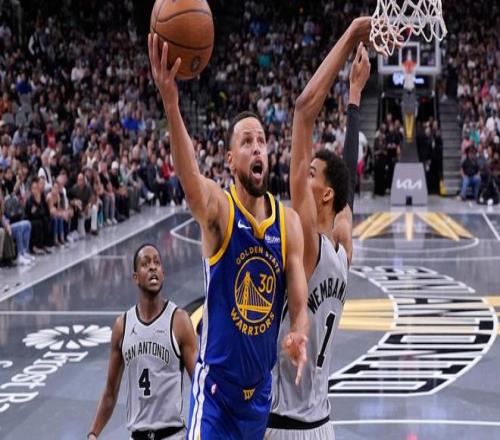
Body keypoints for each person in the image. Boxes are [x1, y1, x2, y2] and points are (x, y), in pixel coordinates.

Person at [148, 33, 309, 440]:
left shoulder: (288, 224)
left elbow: (299, 304)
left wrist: (299, 333)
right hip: (216, 397)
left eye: (262, 142)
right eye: (247, 142)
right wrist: (171, 105)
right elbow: (190, 182)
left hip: (260, 397)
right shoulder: (221, 209)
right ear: (230, 160)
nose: (257, 149)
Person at [266, 19, 372, 439]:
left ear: (325, 195)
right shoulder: (343, 251)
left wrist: (351, 34)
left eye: (310, 174)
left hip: (283, 426)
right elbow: (349, 192)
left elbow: (303, 110)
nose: (301, 178)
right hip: (322, 425)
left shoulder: (307, 246)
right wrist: (354, 96)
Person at [88, 244, 198, 440]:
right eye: (145, 264)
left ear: (163, 273)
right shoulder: (122, 326)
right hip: (138, 435)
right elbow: (110, 391)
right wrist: (93, 433)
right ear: (135, 277)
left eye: (157, 262)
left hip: (173, 435)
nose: (153, 267)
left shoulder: (179, 321)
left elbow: (199, 383)